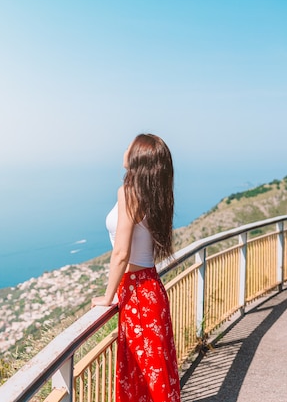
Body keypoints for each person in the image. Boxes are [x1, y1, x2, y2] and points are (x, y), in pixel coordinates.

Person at [92, 133, 181, 402]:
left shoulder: (128, 193)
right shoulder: (152, 193)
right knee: (155, 374)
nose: (125, 148)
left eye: (129, 145)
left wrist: (107, 297)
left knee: (141, 375)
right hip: (150, 288)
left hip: (137, 293)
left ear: (138, 156)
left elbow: (121, 253)